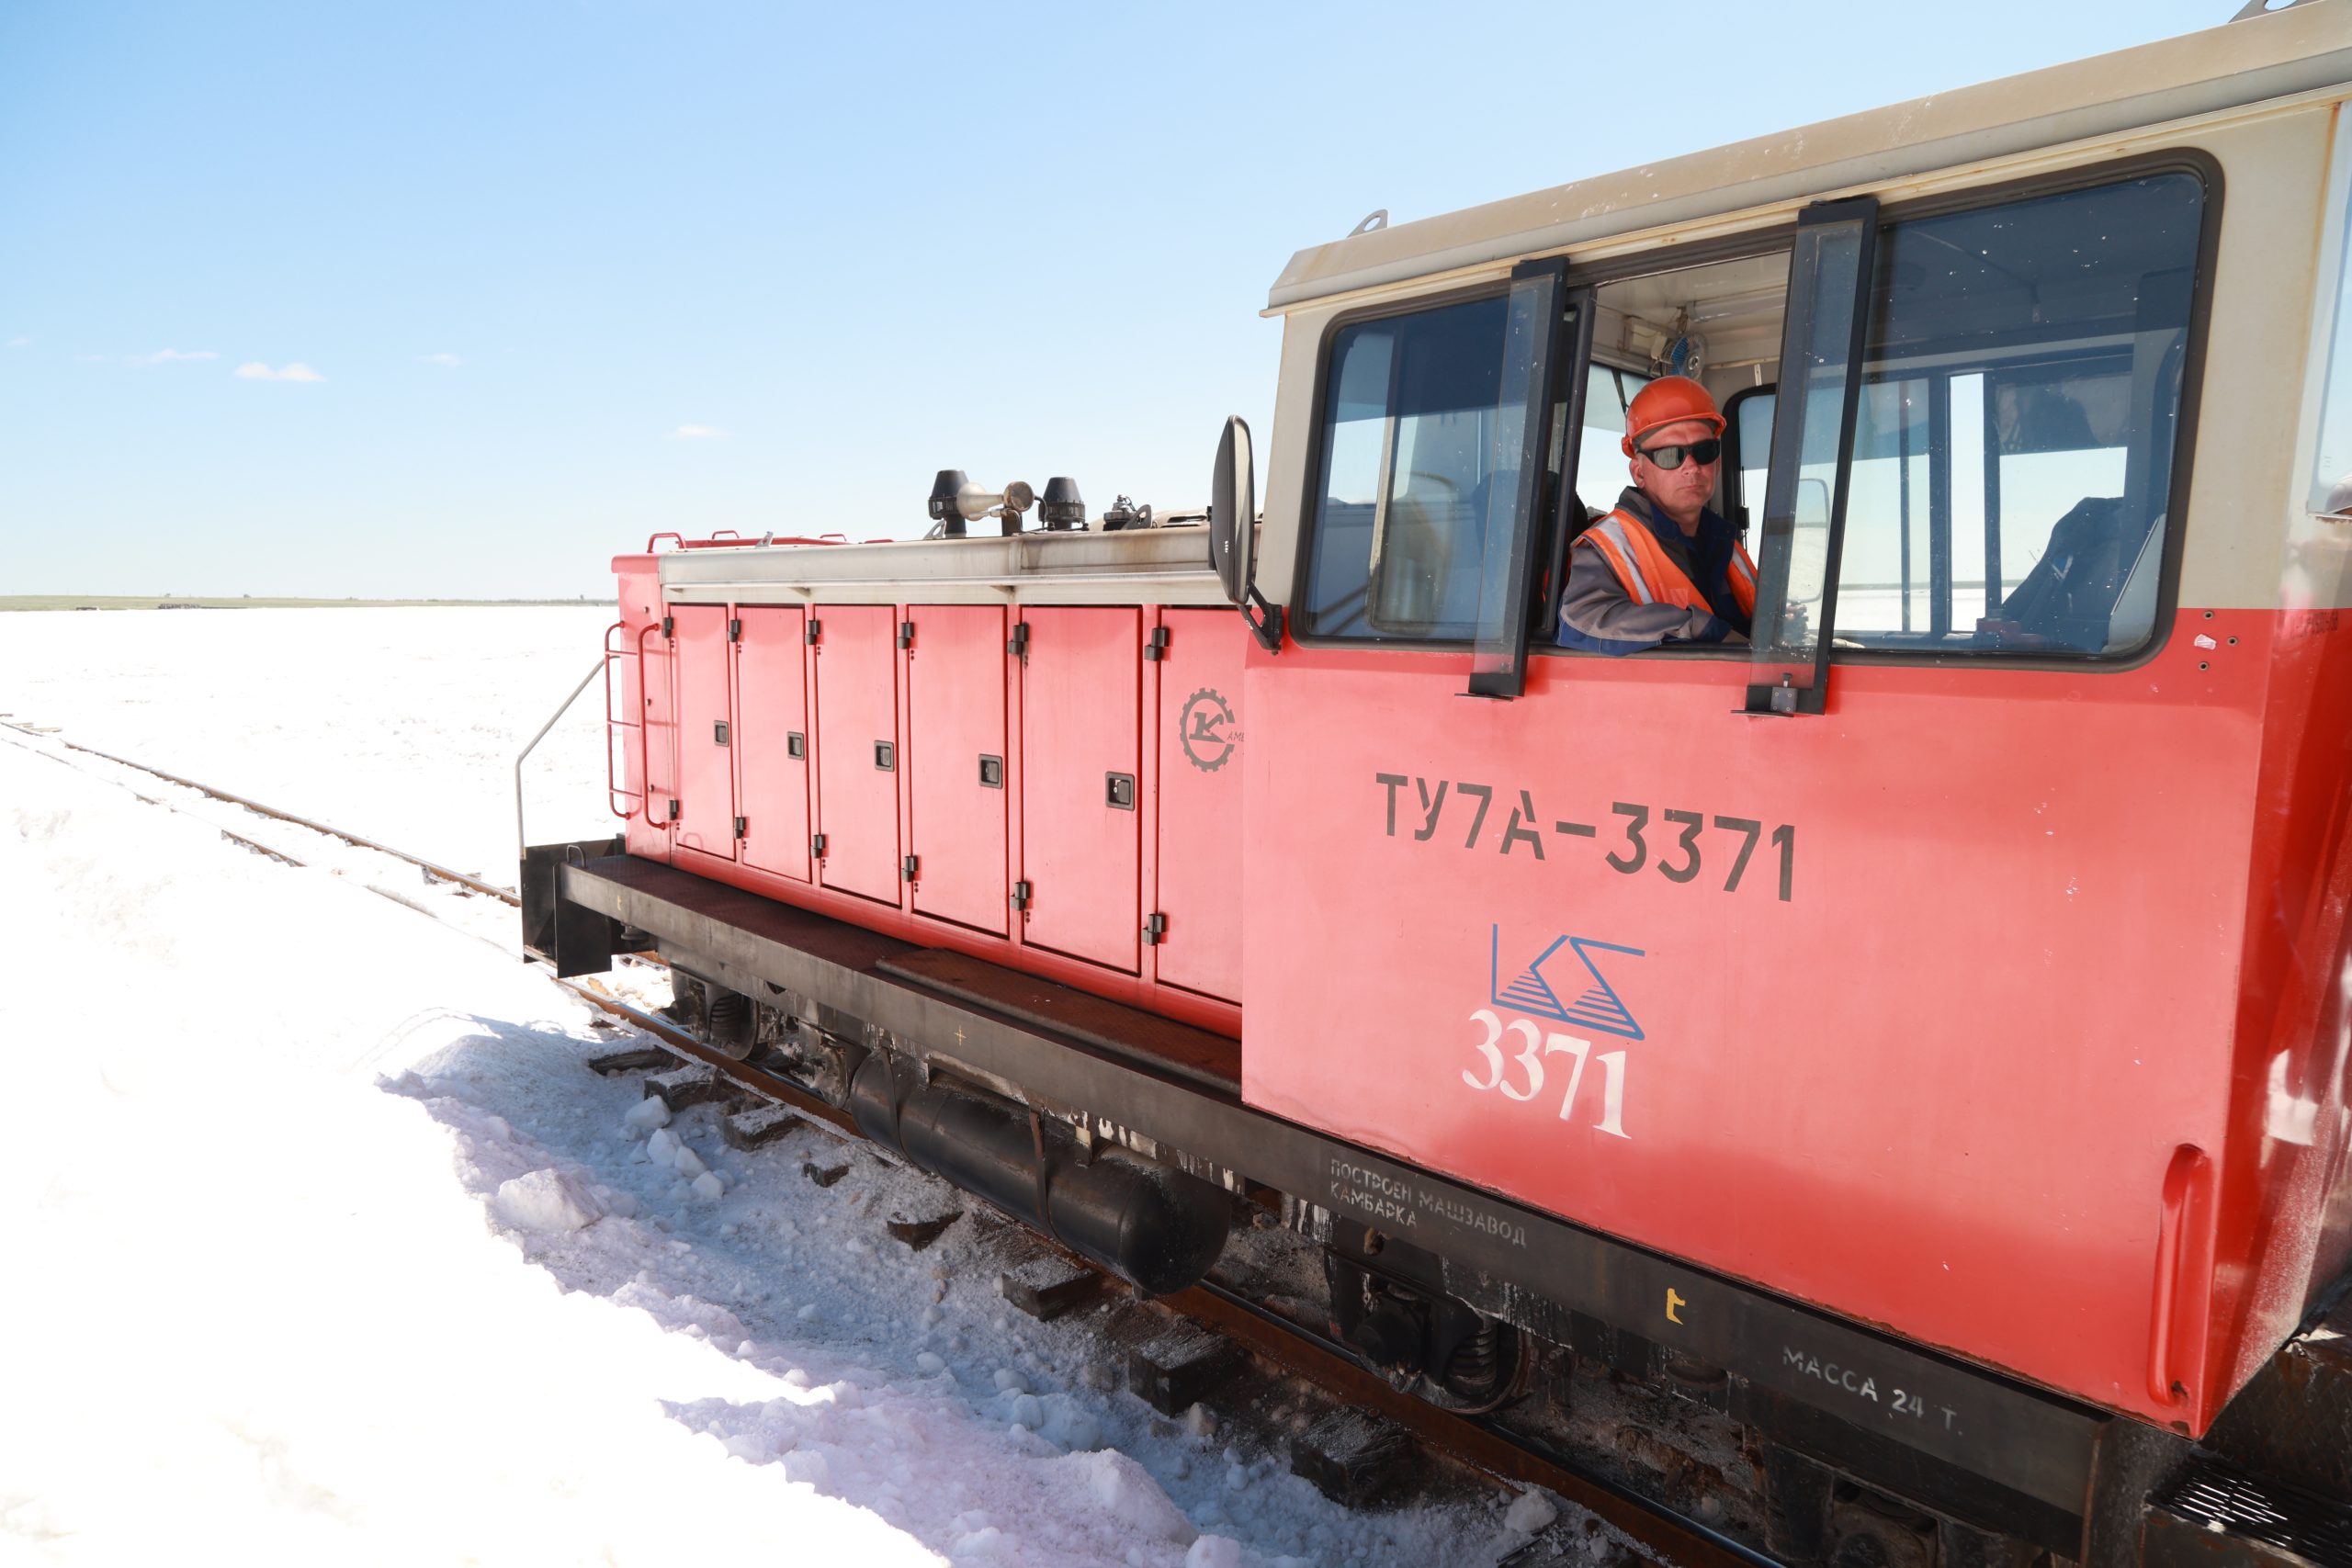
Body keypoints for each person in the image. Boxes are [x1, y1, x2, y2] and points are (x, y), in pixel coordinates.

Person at [1556, 376, 1757, 656]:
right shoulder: (1607, 546)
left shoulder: (1726, 544)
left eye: (1704, 451)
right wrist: (1700, 629)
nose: (1691, 467)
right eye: (1670, 455)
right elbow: (1584, 622)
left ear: (1718, 463)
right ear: (1639, 473)